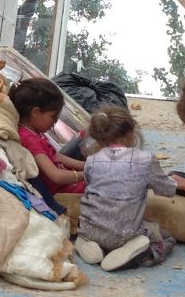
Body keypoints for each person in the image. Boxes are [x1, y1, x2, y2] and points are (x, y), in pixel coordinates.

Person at [74, 106, 178, 271]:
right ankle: (140, 251)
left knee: (90, 226)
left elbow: (89, 184)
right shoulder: (145, 159)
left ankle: (85, 243)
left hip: (90, 230)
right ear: (131, 132)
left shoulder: (91, 160)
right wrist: (178, 183)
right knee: (166, 237)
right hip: (125, 234)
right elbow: (167, 189)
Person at [12, 78, 86, 195]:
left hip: (71, 186)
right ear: (35, 112)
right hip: (64, 194)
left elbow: (55, 156)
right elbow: (56, 176)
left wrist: (88, 166)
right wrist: (88, 175)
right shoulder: (29, 139)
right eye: (53, 116)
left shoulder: (35, 133)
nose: (55, 122)